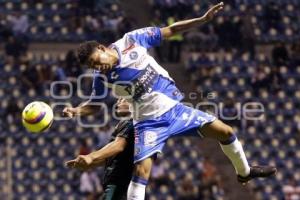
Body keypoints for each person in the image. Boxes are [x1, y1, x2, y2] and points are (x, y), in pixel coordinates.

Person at [63, 2, 276, 199]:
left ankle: (245, 173)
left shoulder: (131, 40)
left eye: (96, 61)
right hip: (148, 123)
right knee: (141, 173)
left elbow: (171, 30)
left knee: (226, 132)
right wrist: (76, 111)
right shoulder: (102, 78)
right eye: (92, 67)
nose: (97, 67)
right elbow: (93, 105)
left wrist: (201, 19)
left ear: (101, 48)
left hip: (175, 110)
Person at [66, 99, 134, 200]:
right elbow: (113, 157)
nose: (118, 102)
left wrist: (91, 157)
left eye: (123, 99)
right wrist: (90, 164)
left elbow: (118, 146)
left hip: (119, 185)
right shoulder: (124, 124)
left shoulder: (130, 123)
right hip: (116, 185)